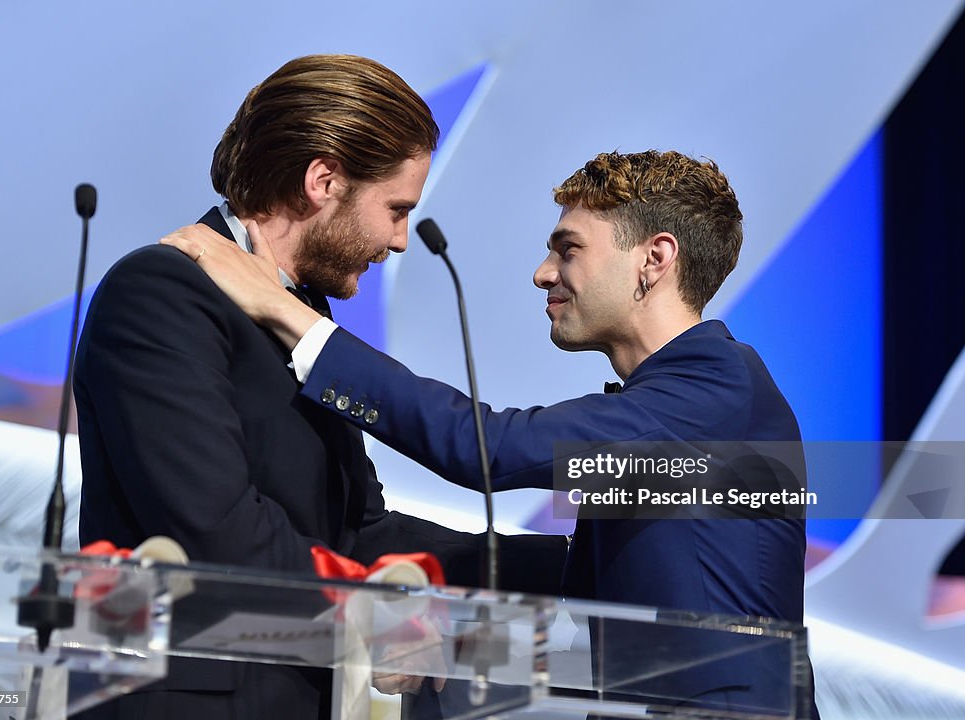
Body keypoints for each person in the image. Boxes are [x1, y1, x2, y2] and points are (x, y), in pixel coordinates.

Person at [162, 149, 819, 716]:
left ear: (655, 259)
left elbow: (488, 449)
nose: (543, 273)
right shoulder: (695, 404)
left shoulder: (713, 388)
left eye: (569, 250)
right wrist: (420, 610)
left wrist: (279, 309)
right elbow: (608, 592)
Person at [74, 54, 566, 720]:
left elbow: (359, 532)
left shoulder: (302, 317)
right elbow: (220, 534)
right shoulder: (161, 292)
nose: (399, 240)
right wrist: (394, 610)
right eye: (395, 209)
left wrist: (568, 564)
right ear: (323, 180)